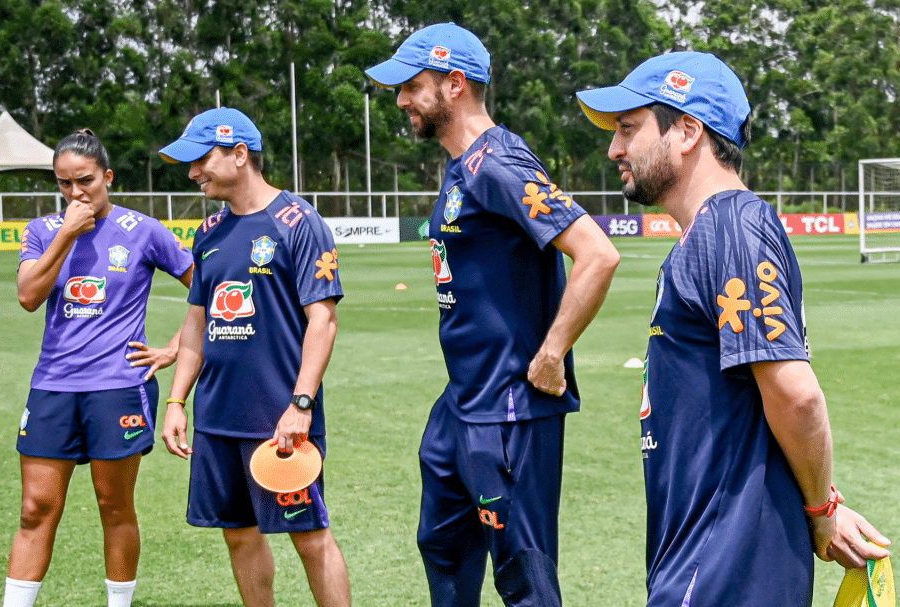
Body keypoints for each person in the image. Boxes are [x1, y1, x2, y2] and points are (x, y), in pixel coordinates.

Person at [576, 51, 892, 605]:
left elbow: (796, 397)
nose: (614, 148)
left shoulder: (732, 229)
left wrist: (822, 510)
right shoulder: (707, 236)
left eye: (629, 128)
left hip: (725, 567)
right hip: (705, 559)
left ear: (689, 130)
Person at [365, 23, 620, 607]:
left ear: (454, 85)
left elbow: (597, 254)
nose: (401, 100)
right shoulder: (462, 167)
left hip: (509, 411)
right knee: (444, 551)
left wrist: (552, 353)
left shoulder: (498, 163)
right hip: (461, 405)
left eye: (411, 86)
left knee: (524, 580)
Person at [158, 107, 351, 607]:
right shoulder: (208, 233)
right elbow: (196, 325)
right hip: (218, 418)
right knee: (238, 534)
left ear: (239, 154)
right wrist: (177, 401)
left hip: (280, 417)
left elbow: (322, 321)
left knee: (310, 537)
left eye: (200, 160)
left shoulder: (298, 222)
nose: (192, 172)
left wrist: (301, 404)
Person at [5, 129, 195, 607]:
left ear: (107, 176)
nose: (76, 193)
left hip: (118, 388)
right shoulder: (44, 231)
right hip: (53, 386)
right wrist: (68, 232)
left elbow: (209, 294)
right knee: (35, 510)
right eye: (64, 184)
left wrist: (173, 348)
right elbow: (29, 297)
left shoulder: (144, 231)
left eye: (85, 181)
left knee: (114, 508)